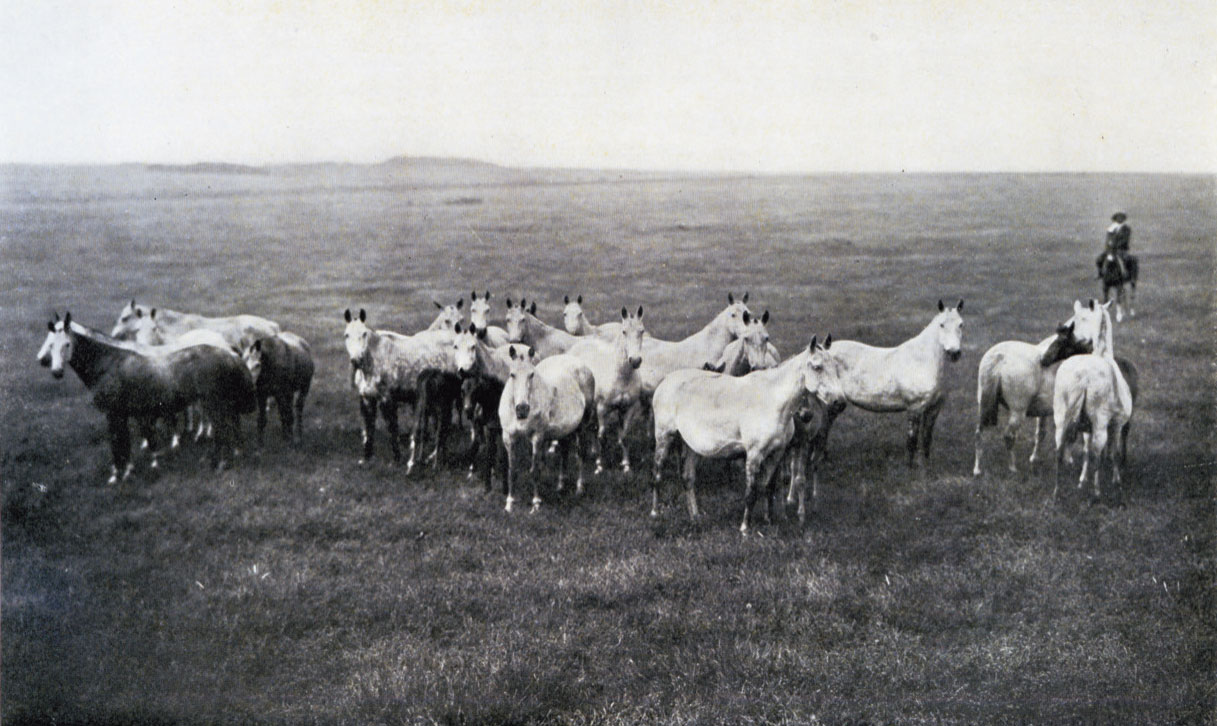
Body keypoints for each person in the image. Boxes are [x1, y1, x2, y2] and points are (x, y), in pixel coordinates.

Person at [1096, 212, 1131, 279]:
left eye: (1121, 218)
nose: (1119, 220)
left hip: (1121, 249)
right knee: (1099, 259)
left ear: (1123, 220)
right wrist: (1108, 247)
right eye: (1118, 218)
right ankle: (1100, 273)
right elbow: (1108, 239)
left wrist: (1116, 246)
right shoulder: (1111, 228)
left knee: (1124, 260)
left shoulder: (1126, 229)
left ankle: (1126, 274)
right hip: (1110, 249)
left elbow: (1125, 240)